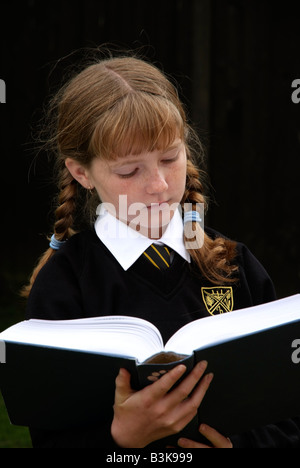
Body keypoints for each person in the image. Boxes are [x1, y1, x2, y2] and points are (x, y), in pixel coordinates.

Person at [23, 51, 300, 448]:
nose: (157, 184)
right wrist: (120, 437)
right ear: (81, 173)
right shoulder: (64, 287)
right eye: (129, 170)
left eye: (170, 158)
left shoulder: (236, 265)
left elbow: (288, 416)